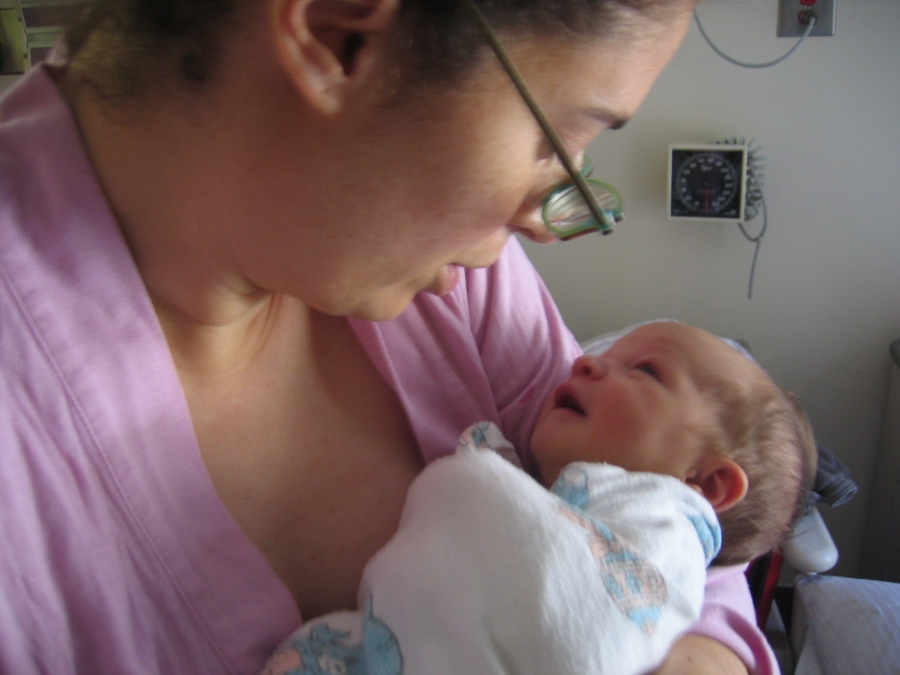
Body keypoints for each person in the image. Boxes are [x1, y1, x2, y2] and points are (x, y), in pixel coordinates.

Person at [0, 0, 777, 673]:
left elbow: (659, 499)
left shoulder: (435, 260)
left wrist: (700, 652)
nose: (545, 222)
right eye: (555, 142)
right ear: (337, 35)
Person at [257, 321, 816, 675]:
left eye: (645, 370)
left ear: (705, 485)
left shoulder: (666, 527)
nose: (585, 361)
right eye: (609, 355)